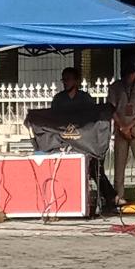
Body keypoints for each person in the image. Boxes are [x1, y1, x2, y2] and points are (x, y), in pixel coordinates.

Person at [52, 67, 117, 213]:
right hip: (64, 142)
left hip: (84, 141)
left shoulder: (85, 98)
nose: (65, 82)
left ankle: (110, 198)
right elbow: (53, 120)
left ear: (76, 81)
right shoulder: (58, 99)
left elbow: (92, 120)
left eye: (68, 79)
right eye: (63, 79)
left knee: (95, 169)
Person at [106, 62, 135, 203]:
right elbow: (111, 109)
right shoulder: (115, 87)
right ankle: (119, 195)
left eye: (131, 73)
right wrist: (122, 127)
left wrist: (129, 126)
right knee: (119, 165)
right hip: (120, 129)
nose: (128, 76)